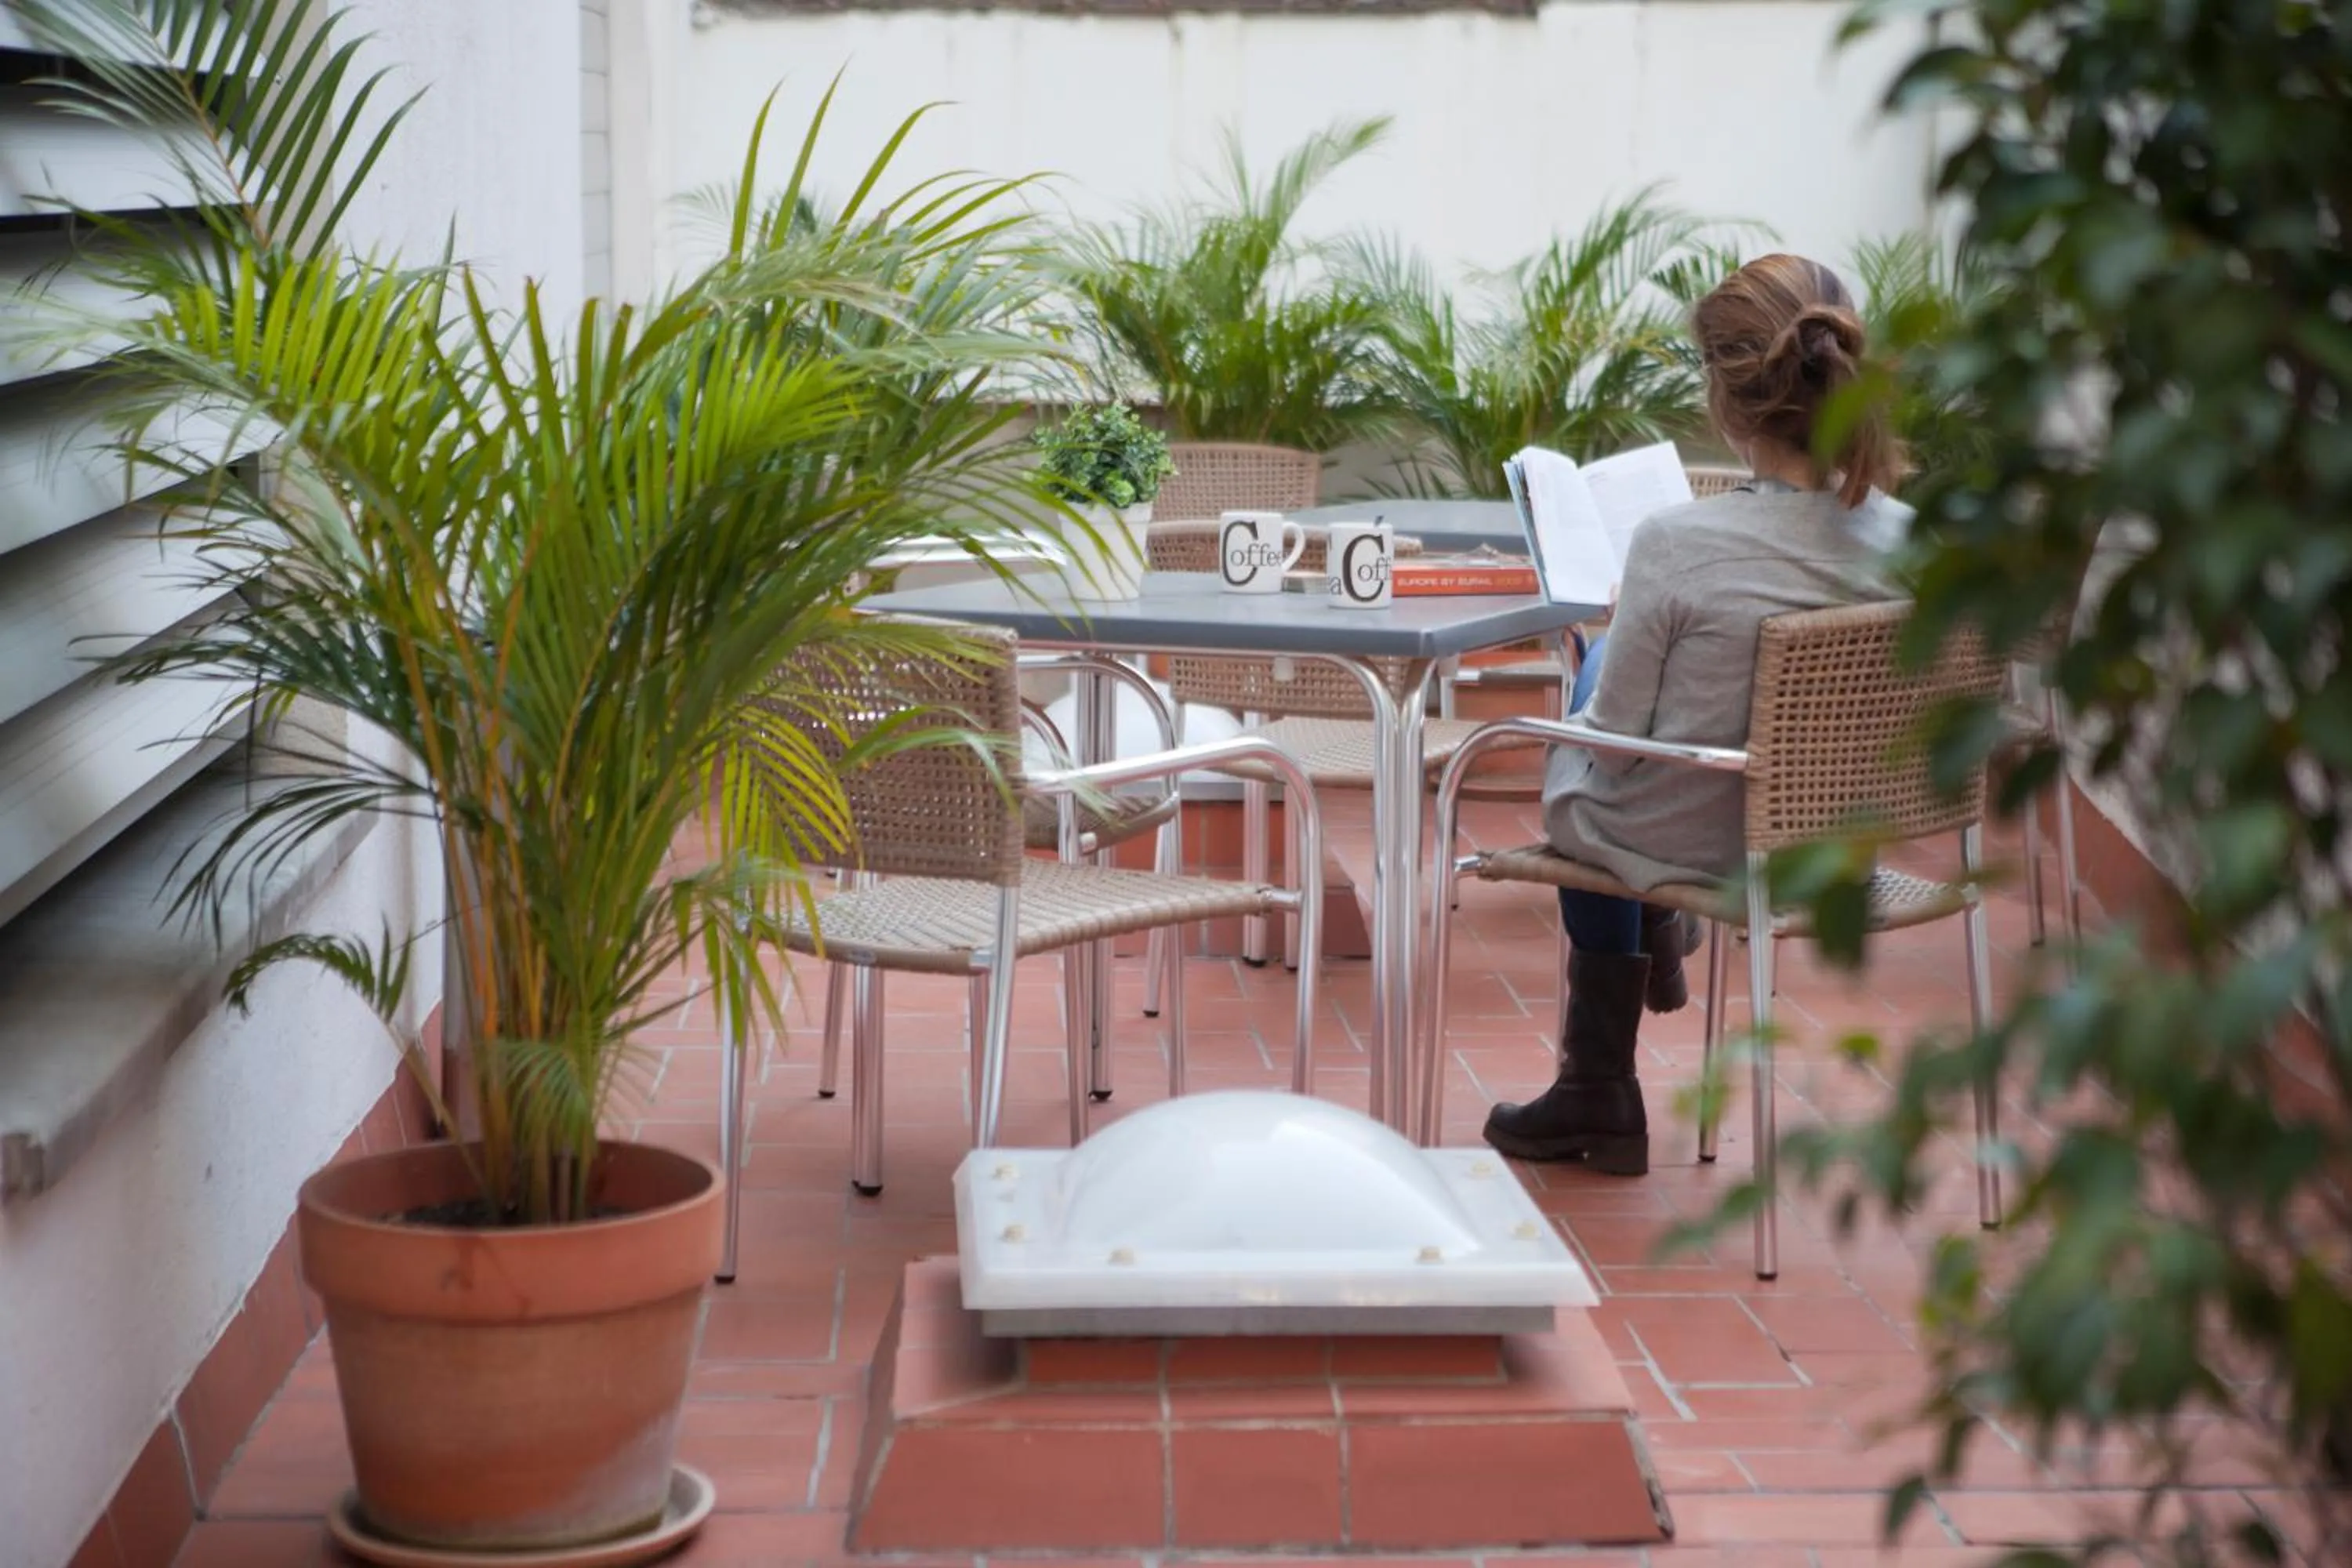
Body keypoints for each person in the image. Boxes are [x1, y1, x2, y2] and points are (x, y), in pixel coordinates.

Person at [1483, 252, 1911, 1174]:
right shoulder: (1909, 538)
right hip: (1836, 847)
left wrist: (1597, 662)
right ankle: (1651, 950)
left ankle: (1599, 1083)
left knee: (1587, 746)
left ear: (1727, 396)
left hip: (1701, 834)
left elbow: (1621, 741)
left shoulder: (1678, 544)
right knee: (1605, 681)